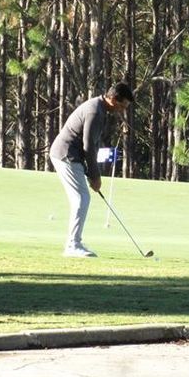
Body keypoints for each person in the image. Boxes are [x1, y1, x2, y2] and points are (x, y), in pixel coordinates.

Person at [49, 81, 133, 257]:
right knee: (81, 198)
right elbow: (89, 147)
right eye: (122, 105)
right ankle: (73, 245)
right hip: (66, 154)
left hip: (72, 155)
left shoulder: (100, 108)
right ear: (113, 99)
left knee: (81, 198)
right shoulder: (95, 111)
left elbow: (88, 146)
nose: (122, 110)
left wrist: (90, 172)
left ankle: (75, 242)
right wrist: (95, 176)